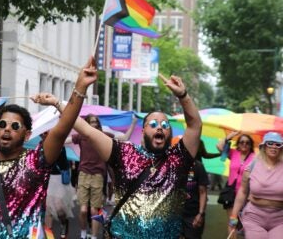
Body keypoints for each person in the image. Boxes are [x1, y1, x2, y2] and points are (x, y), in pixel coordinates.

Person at [0, 57, 97, 238]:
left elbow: (61, 129)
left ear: (27, 135)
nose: (7, 129)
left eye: (15, 126)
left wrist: (79, 88)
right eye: (2, 124)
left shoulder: (35, 162)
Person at [39, 74, 202, 238]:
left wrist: (183, 96)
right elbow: (87, 131)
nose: (159, 127)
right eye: (153, 124)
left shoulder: (178, 159)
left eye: (164, 125)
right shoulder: (125, 152)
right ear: (143, 130)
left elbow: (195, 125)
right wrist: (58, 104)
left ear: (170, 132)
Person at [66, 113, 137, 239]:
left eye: (95, 122)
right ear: (86, 123)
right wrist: (52, 135)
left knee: (94, 210)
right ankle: (83, 233)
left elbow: (124, 138)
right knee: (83, 210)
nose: (93, 124)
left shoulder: (103, 135)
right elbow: (64, 141)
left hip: (98, 176)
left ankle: (93, 236)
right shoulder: (82, 136)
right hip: (83, 174)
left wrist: (133, 123)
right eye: (91, 122)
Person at [228, 132, 283, 239]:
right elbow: (242, 191)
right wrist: (233, 217)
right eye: (270, 143)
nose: (274, 147)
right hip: (254, 218)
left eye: (278, 144)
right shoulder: (253, 165)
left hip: (280, 219)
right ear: (264, 146)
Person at [216, 131, 255, 229]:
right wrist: (230, 136)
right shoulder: (233, 153)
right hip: (231, 193)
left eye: (247, 142)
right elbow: (219, 146)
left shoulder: (255, 158)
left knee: (246, 224)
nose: (244, 144)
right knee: (232, 222)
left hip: (246, 194)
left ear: (251, 145)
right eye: (242, 142)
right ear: (238, 144)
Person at [44, 131, 75, 239]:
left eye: (46, 133)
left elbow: (64, 164)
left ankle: (64, 222)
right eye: (43, 134)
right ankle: (49, 235)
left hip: (59, 179)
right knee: (48, 209)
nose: (44, 135)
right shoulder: (41, 147)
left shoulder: (60, 145)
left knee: (59, 207)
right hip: (48, 179)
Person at [180, 158, 209, 239]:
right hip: (175, 214)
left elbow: (203, 192)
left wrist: (201, 214)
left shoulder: (198, 166)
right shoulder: (171, 164)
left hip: (192, 214)